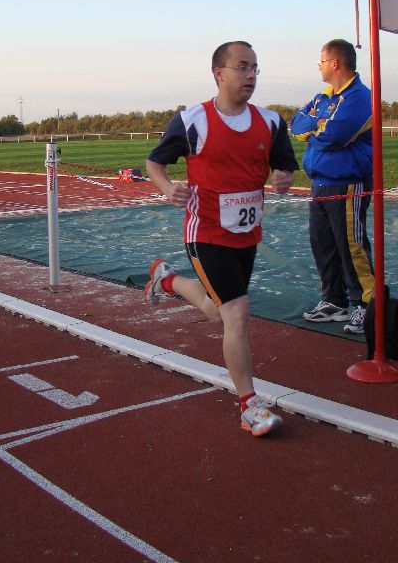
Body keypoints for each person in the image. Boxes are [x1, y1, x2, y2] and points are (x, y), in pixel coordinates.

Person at [143, 41, 298, 437]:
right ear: (219, 73)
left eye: (255, 68)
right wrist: (168, 188)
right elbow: (154, 162)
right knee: (238, 313)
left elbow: (284, 164)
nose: (250, 75)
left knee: (219, 312)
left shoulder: (271, 122)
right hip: (206, 233)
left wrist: (283, 177)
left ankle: (167, 279)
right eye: (242, 67)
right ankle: (250, 406)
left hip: (247, 235)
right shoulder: (193, 120)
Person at [290, 39, 375, 333]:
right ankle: (334, 300)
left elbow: (333, 136)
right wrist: (316, 127)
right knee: (323, 244)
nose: (319, 67)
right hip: (320, 183)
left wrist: (314, 128)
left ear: (335, 63)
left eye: (322, 62)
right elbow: (297, 123)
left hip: (347, 183)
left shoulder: (359, 97)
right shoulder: (324, 96)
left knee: (351, 246)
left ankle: (367, 304)